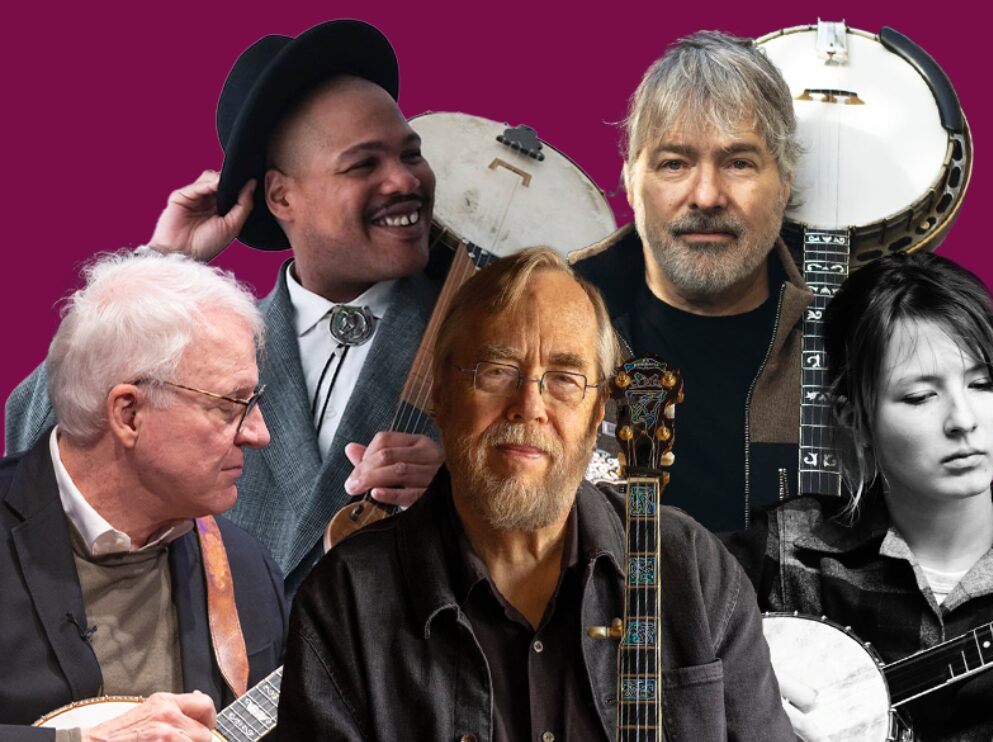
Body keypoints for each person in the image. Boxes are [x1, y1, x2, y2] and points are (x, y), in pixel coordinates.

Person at [273, 247, 794, 741]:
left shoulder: (694, 570)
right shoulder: (345, 600)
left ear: (596, 417)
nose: (530, 406)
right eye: (498, 372)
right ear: (442, 396)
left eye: (565, 379)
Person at [5, 20, 445, 599]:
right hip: (217, 689)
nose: (403, 180)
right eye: (363, 165)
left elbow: (589, 512)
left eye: (410, 153)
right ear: (281, 196)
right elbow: (31, 456)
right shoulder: (212, 346)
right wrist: (155, 267)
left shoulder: (491, 333)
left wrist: (469, 498)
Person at [722, 252, 993, 741]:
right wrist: (733, 696)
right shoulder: (785, 552)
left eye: (984, 384)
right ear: (853, 417)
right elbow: (633, 638)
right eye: (921, 396)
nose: (963, 420)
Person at [0, 252, 286, 741]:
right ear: (129, 413)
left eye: (254, 402)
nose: (259, 434)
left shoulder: (246, 567)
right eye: (232, 405)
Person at [571, 30, 812, 532]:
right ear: (632, 183)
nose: (705, 196)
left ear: (785, 185)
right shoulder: (552, 323)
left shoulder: (860, 338)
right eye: (674, 163)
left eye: (739, 162)